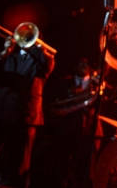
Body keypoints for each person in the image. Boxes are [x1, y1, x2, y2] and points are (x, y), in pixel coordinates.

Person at [0, 31, 55, 188]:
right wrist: (4, 53)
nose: (25, 39)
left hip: (25, 117)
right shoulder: (9, 55)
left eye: (30, 36)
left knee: (20, 166)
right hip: (0, 113)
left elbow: (46, 66)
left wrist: (35, 47)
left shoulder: (44, 58)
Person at [47, 57, 101, 188]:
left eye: (86, 64)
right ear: (74, 67)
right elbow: (53, 102)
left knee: (87, 167)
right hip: (67, 130)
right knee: (62, 165)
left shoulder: (98, 84)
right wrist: (69, 92)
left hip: (90, 131)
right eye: (80, 64)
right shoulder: (63, 83)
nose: (83, 66)